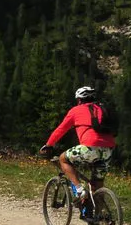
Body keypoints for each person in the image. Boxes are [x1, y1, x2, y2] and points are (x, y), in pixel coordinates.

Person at [39, 85, 116, 216]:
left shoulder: (76, 110)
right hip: (108, 149)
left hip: (89, 147)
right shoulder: (103, 109)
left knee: (64, 159)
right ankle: (98, 217)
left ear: (79, 100)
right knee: (97, 183)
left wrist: (48, 145)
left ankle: (80, 190)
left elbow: (61, 130)